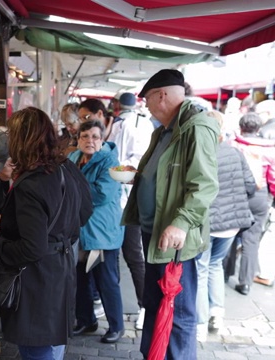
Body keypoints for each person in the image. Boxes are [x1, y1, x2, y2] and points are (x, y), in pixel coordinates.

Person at [0, 107, 93, 360]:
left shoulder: (31, 183)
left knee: (37, 349)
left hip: (38, 280)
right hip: (60, 267)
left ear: (22, 140)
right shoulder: (66, 167)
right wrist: (60, 236)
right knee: (52, 343)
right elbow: (84, 212)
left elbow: (32, 248)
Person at [121, 69, 219, 359]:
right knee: (153, 303)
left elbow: (204, 185)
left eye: (147, 99)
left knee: (178, 312)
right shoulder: (164, 130)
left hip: (176, 239)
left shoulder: (195, 127)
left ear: (161, 95)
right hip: (154, 234)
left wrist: (181, 223)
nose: (147, 106)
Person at [195, 110, 255, 342]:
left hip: (208, 224)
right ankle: (217, 313)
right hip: (230, 225)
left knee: (201, 269)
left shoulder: (200, 152)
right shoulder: (235, 152)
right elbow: (251, 185)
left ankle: (200, 324)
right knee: (215, 265)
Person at [67, 120, 125, 344]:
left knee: (106, 280)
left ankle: (116, 326)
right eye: (85, 136)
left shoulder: (111, 162)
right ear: (78, 138)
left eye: (94, 137)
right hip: (79, 230)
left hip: (102, 233)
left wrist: (74, 187)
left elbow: (102, 194)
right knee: (80, 278)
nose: (89, 141)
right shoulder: (73, 158)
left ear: (102, 140)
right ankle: (86, 320)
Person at [109, 91, 154, 330]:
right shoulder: (135, 123)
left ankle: (145, 305)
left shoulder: (135, 124)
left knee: (133, 255)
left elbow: (129, 162)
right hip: (119, 199)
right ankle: (122, 305)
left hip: (130, 199)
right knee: (120, 255)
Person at [225, 112, 275, 295]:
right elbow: (273, 178)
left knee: (230, 233)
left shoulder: (234, 145)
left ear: (241, 127)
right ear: (259, 129)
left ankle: (225, 272)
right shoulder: (270, 149)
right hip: (260, 196)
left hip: (236, 194)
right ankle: (245, 282)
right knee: (252, 239)